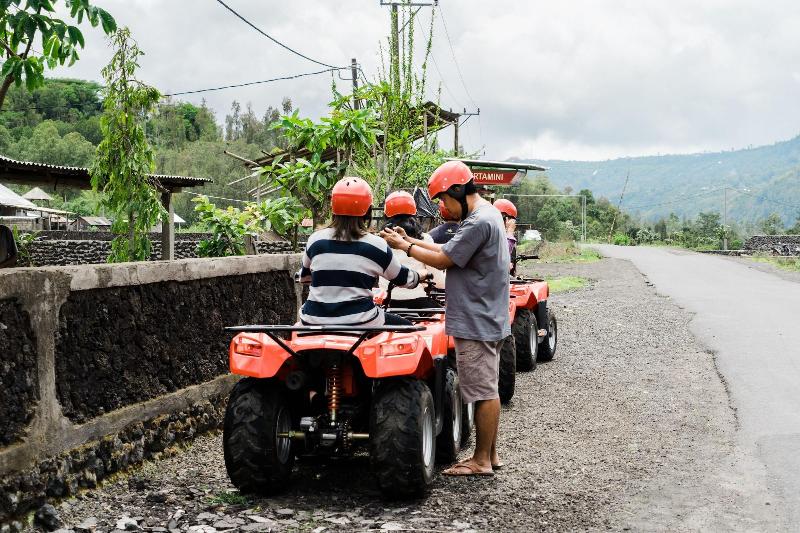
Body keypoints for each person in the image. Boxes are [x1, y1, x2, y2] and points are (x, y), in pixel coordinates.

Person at [380, 160, 510, 476]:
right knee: (486, 386)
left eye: (445, 199)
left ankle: (480, 461)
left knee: (482, 390)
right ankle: (489, 455)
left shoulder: (478, 222)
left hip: (477, 316)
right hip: (485, 313)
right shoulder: (487, 215)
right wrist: (410, 240)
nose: (443, 207)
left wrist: (405, 247)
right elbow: (443, 246)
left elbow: (443, 258)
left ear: (457, 191)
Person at [298, 177, 426, 327]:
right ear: (368, 212)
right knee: (410, 329)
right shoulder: (376, 245)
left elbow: (305, 278)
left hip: (312, 320)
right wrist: (419, 276)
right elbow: (404, 280)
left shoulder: (315, 240)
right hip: (361, 321)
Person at [379, 191, 446, 307]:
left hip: (388, 303)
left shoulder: (378, 241)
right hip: (419, 302)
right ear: (414, 214)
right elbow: (439, 282)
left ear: (386, 215)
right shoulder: (424, 239)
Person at [493, 198, 518, 274]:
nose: (511, 223)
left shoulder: (504, 237)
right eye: (510, 219)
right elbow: (502, 257)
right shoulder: (491, 235)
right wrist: (510, 231)